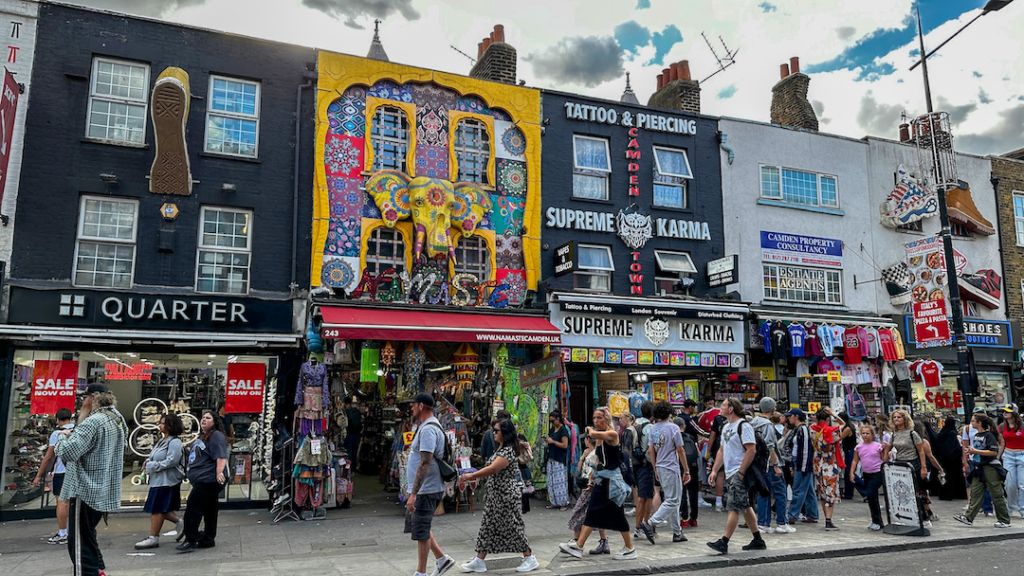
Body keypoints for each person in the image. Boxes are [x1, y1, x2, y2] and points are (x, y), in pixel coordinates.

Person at [55, 384, 126, 576]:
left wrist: (62, 439)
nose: (82, 403)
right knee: (87, 535)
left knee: (78, 542)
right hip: (102, 487)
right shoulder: (117, 418)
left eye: (84, 398)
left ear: (93, 398)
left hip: (85, 488)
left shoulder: (93, 422)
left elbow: (68, 452)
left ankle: (89, 573)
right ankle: (98, 569)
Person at [457, 419, 539, 573]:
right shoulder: (501, 448)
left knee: (512, 526)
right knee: (487, 527)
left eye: (496, 431)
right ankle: (479, 560)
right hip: (496, 495)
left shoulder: (508, 451)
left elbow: (493, 469)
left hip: (505, 495)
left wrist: (471, 476)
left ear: (505, 433)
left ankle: (529, 557)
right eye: (493, 430)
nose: (493, 433)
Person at [558, 407, 637, 561]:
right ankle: (579, 545)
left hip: (612, 483)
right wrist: (592, 476)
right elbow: (600, 460)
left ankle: (629, 548)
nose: (596, 421)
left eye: (599, 417)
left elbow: (594, 434)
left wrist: (590, 430)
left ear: (606, 418)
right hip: (602, 480)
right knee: (595, 512)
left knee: (613, 515)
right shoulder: (600, 436)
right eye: (594, 418)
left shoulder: (612, 434)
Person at [403, 394, 455, 576]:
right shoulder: (427, 426)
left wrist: (414, 493)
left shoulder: (428, 430)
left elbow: (425, 462)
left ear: (421, 406)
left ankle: (421, 572)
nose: (411, 408)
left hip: (426, 489)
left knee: (421, 531)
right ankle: (441, 559)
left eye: (413, 405)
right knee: (421, 526)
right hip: (426, 488)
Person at [706, 399, 766, 555]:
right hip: (730, 472)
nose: (720, 407)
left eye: (723, 405)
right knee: (745, 506)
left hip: (738, 472)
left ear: (731, 409)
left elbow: (751, 449)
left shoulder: (744, 426)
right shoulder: (726, 427)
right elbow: (721, 450)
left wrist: (741, 472)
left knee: (733, 506)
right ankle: (758, 539)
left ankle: (724, 541)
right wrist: (714, 470)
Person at [177, 410, 229, 553]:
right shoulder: (204, 436)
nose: (204, 420)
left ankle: (191, 538)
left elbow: (221, 456)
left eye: (208, 418)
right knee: (210, 509)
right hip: (204, 479)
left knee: (193, 508)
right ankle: (208, 538)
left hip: (208, 480)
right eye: (203, 417)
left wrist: (219, 472)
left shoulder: (216, 435)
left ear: (214, 421)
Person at [638, 401, 690, 544]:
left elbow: (651, 450)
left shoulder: (653, 429)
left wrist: (655, 467)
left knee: (671, 499)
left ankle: (677, 532)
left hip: (660, 466)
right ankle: (650, 523)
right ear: (669, 412)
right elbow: (680, 449)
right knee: (673, 500)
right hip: (671, 466)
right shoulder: (673, 428)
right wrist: (686, 469)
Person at [135, 414, 186, 549]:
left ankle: (154, 537)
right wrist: (148, 461)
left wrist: (154, 466)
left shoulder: (174, 442)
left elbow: (172, 460)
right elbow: (156, 456)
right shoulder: (163, 440)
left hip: (166, 480)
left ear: (170, 425)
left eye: (163, 423)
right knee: (161, 507)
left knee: (157, 508)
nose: (160, 425)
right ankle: (180, 522)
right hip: (158, 479)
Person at [953, 413, 1012, 528]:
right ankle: (968, 517)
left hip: (990, 467)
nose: (971, 423)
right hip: (978, 467)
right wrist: (971, 453)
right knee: (975, 492)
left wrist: (975, 451)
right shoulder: (977, 435)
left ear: (979, 423)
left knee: (996, 494)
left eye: (973, 421)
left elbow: (993, 452)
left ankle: (1004, 520)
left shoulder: (989, 435)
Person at [882, 409, 932, 527]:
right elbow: (888, 448)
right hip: (900, 463)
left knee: (917, 491)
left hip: (913, 463)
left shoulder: (912, 433)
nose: (896, 419)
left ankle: (924, 517)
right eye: (894, 417)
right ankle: (907, 517)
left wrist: (923, 467)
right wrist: (885, 455)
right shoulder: (894, 434)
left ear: (904, 419)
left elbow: (921, 451)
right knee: (903, 491)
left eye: (899, 417)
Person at [751, 398, 793, 534]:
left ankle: (763, 523)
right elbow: (770, 447)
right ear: (772, 409)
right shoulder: (768, 425)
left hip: (758, 463)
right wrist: (776, 465)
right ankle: (782, 523)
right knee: (780, 492)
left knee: (763, 493)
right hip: (770, 464)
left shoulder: (753, 423)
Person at [33, 408, 74, 545]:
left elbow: (49, 456)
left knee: (62, 502)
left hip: (62, 472)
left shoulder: (57, 433)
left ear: (57, 420)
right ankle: (76, 531)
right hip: (76, 472)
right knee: (75, 503)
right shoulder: (78, 430)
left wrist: (39, 475)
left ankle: (63, 533)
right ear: (70, 418)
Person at [567, 435, 609, 555]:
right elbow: (579, 470)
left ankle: (577, 542)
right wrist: (582, 458)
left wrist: (590, 484)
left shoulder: (595, 454)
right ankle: (603, 542)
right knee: (594, 515)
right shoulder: (589, 453)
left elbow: (594, 472)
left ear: (587, 440)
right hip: (590, 487)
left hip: (590, 488)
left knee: (579, 513)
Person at [810, 408, 845, 531]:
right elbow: (843, 424)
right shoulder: (832, 431)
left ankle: (826, 518)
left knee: (822, 492)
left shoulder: (812, 429)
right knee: (830, 491)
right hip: (829, 463)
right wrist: (833, 414)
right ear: (828, 419)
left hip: (817, 463)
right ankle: (829, 520)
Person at [785, 409, 819, 525]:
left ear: (796, 416)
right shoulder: (800, 429)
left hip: (802, 463)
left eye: (790, 416)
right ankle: (812, 514)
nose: (789, 418)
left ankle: (792, 515)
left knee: (798, 489)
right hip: (801, 462)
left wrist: (803, 466)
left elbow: (805, 449)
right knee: (808, 490)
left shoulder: (802, 429)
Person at [848, 424, 885, 530]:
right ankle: (876, 521)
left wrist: (886, 450)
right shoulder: (858, 447)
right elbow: (855, 460)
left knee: (871, 493)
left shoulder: (878, 446)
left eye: (867, 433)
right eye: (863, 433)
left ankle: (877, 521)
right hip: (866, 473)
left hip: (877, 472)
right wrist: (852, 473)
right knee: (872, 497)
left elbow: (883, 458)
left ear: (872, 434)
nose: (865, 435)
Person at [630, 401, 656, 531]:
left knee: (641, 495)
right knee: (645, 496)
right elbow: (650, 450)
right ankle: (641, 526)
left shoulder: (633, 425)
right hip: (646, 465)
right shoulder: (650, 428)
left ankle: (641, 526)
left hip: (634, 464)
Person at [674, 416, 702, 529]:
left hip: (681, 466)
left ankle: (684, 518)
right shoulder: (691, 437)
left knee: (682, 492)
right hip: (694, 466)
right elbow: (698, 453)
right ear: (684, 426)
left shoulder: (675, 437)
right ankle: (694, 518)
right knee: (693, 493)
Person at [998, 405, 1024, 518]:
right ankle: (1011, 507)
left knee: (1022, 485)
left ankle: (1023, 509)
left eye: (1007, 411)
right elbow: (1001, 443)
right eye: (1004, 411)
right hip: (1008, 455)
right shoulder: (1002, 426)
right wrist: (997, 457)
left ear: (1014, 413)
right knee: (1010, 484)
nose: (1004, 413)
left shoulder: (1022, 426)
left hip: (1022, 455)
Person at [933, 416, 967, 501]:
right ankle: (957, 494)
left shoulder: (941, 433)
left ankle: (945, 494)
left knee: (945, 476)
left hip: (943, 460)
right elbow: (956, 447)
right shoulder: (952, 433)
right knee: (955, 476)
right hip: (954, 460)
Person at [544, 409, 570, 510]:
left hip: (559, 459)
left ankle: (563, 503)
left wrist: (553, 442)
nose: (552, 423)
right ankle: (554, 502)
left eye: (553, 421)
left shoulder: (563, 430)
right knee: (551, 481)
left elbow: (565, 445)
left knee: (560, 482)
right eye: (550, 421)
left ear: (558, 419)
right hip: (551, 457)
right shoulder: (552, 429)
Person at [839, 413, 858, 500]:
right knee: (848, 472)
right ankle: (848, 493)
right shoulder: (850, 426)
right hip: (849, 451)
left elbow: (840, 437)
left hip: (850, 451)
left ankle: (862, 490)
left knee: (850, 472)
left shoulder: (847, 428)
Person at [517, 433, 534, 514]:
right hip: (524, 468)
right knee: (525, 489)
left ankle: (523, 507)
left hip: (519, 468)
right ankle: (526, 507)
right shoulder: (525, 445)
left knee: (521, 489)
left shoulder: (518, 445)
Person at [343, 397, 363, 463]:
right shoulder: (357, 411)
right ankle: (353, 467)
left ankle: (349, 467)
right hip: (357, 435)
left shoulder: (346, 412)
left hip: (349, 435)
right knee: (355, 452)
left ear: (346, 404)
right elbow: (360, 423)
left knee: (349, 453)